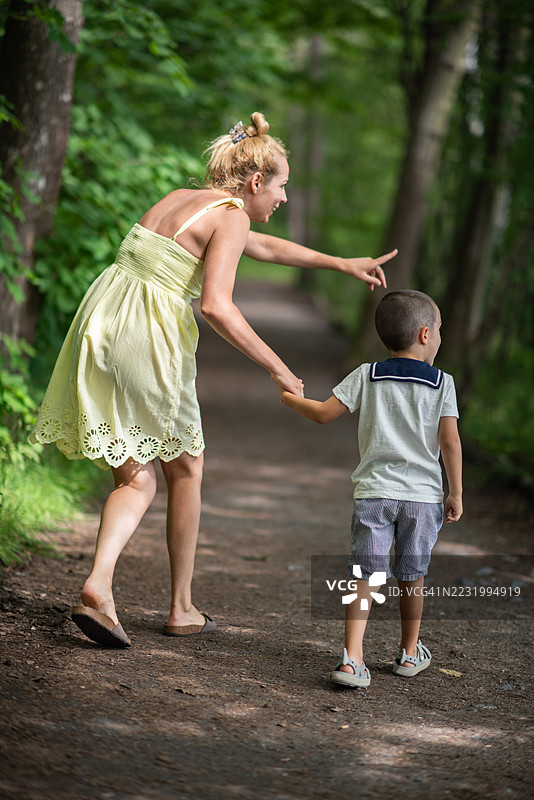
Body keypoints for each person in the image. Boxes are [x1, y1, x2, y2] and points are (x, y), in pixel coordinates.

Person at [30, 112, 397, 648]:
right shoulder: (233, 217)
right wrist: (278, 366)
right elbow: (218, 308)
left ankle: (105, 590)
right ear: (254, 182)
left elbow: (263, 247)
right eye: (282, 187)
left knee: (137, 470)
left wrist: (342, 263)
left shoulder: (185, 199)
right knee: (182, 468)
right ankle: (169, 605)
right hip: (146, 336)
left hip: (102, 321)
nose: (284, 198)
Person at [279, 289, 463, 686]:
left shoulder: (368, 374)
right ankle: (409, 654)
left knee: (364, 575)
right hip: (422, 498)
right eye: (441, 330)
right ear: (425, 334)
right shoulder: (442, 383)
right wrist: (456, 492)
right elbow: (449, 441)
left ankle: (352, 659)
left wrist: (292, 400)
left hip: (374, 494)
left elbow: (326, 413)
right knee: (412, 576)